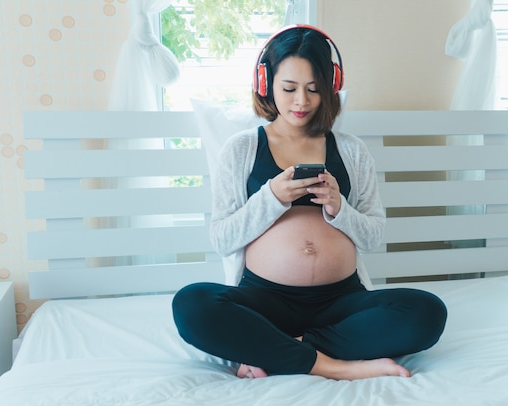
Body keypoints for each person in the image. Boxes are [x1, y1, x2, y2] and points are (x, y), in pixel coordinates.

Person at [172, 24, 447, 380]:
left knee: (426, 312)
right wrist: (270, 198)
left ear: (330, 88)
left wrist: (339, 209)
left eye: (313, 89)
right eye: (289, 88)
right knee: (192, 305)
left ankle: (277, 347)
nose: (301, 101)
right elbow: (222, 239)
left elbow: (372, 237)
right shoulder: (241, 149)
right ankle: (333, 365)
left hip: (341, 303)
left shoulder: (351, 150)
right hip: (264, 301)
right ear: (265, 83)